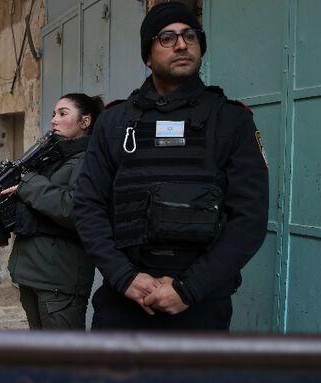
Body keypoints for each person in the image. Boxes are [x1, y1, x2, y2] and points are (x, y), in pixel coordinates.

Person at [73, 2, 269, 331]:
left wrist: (189, 289)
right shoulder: (114, 122)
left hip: (201, 304)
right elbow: (88, 205)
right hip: (125, 301)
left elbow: (249, 218)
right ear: (147, 55)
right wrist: (124, 276)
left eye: (190, 36)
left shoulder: (232, 120)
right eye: (166, 37)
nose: (181, 44)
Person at [1, 93, 104, 330]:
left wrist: (28, 184)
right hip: (31, 272)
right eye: (53, 114)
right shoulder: (51, 157)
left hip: (59, 278)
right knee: (43, 355)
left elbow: (75, 208)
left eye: (63, 114)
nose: (54, 120)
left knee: (65, 358)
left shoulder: (90, 158)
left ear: (85, 122)